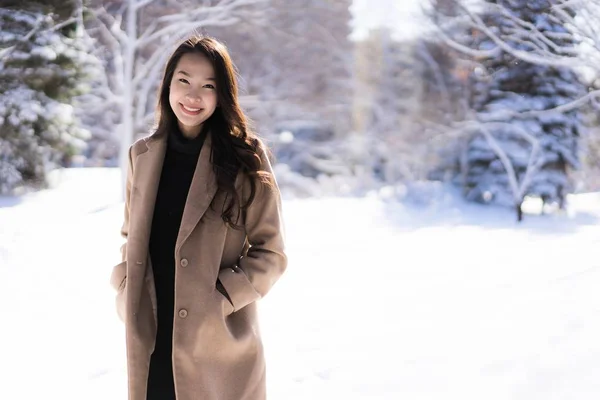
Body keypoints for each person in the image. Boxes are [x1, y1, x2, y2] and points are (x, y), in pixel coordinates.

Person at [109, 35, 287, 400]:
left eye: (209, 86)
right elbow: (131, 236)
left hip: (217, 342)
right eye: (184, 81)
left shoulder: (245, 158)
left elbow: (271, 253)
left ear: (222, 95)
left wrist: (222, 296)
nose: (193, 96)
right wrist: (125, 284)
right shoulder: (140, 156)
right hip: (152, 333)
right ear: (168, 84)